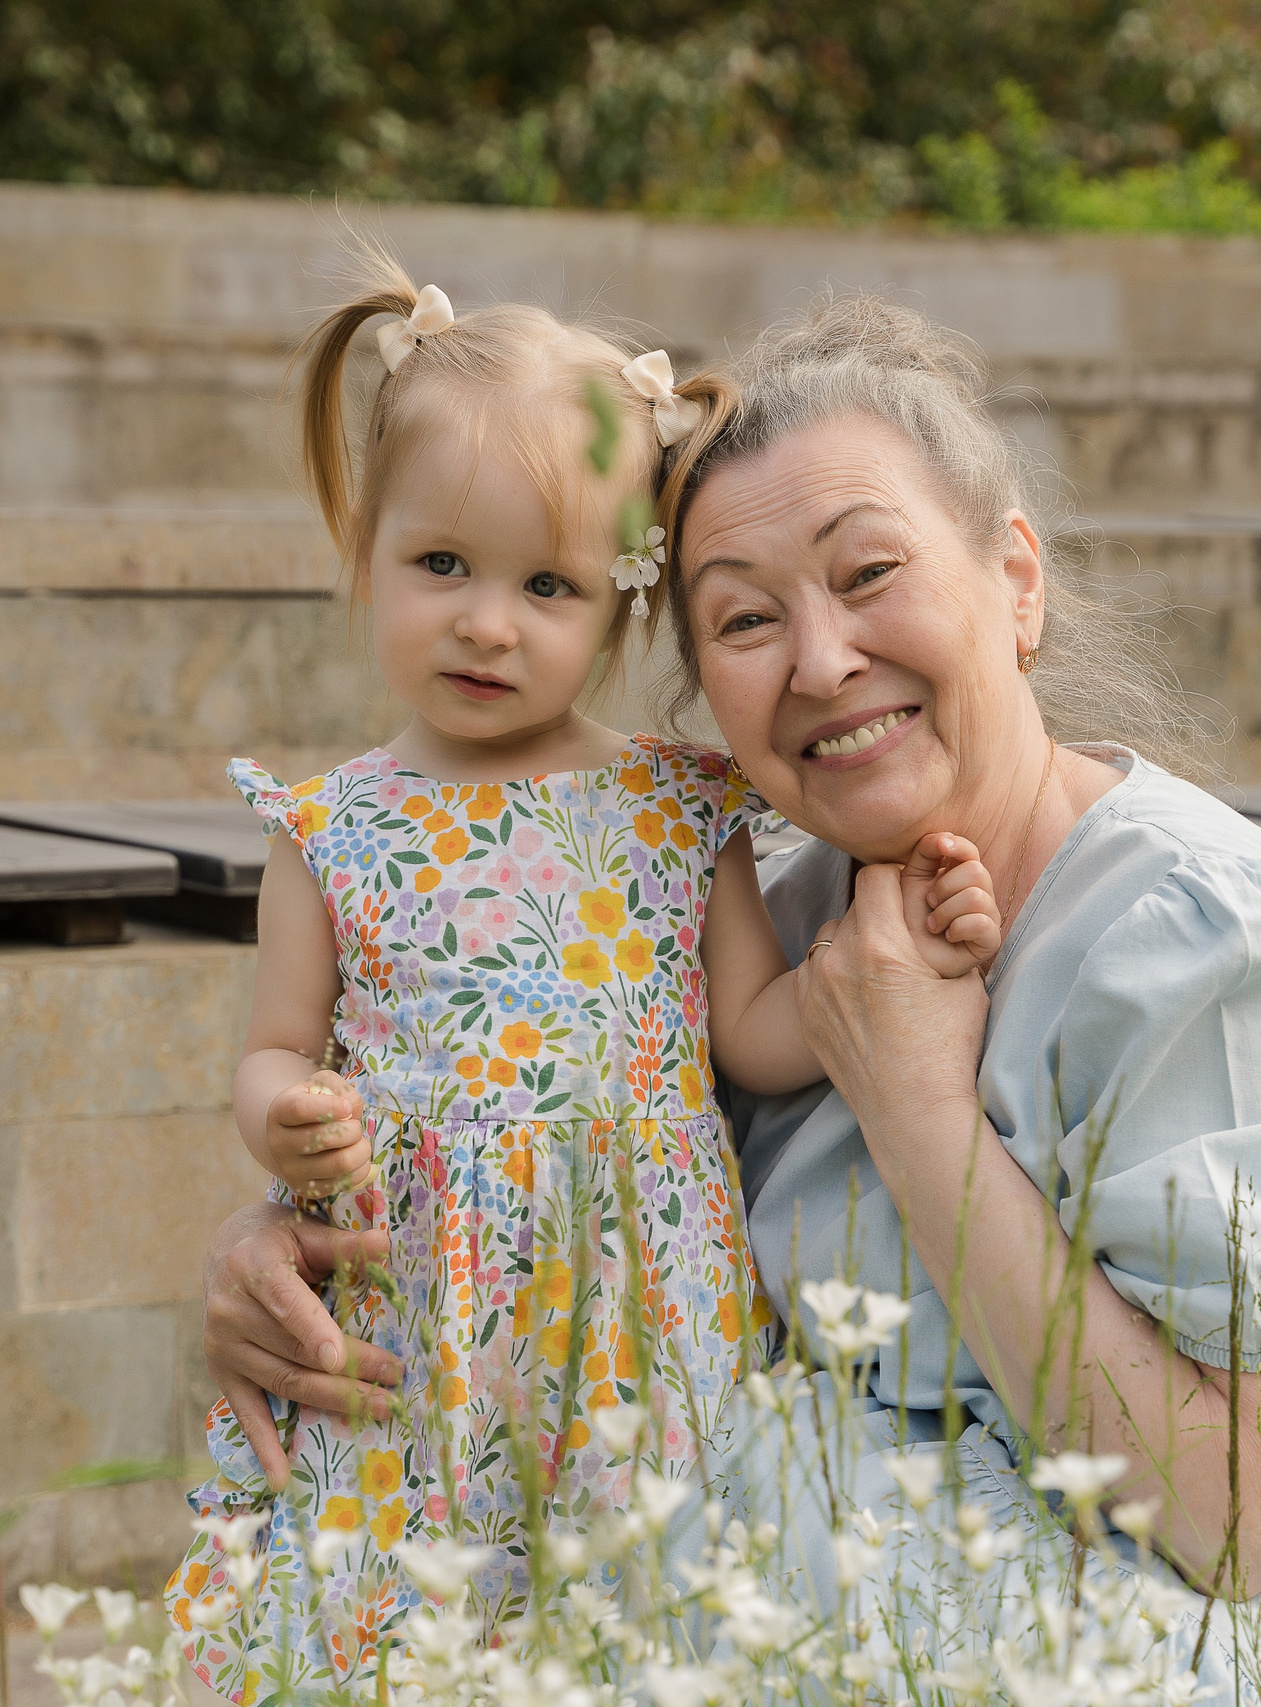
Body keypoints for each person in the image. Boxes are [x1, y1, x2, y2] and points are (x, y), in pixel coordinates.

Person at [193, 292, 1261, 1701]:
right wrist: (294, 1247)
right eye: (744, 619)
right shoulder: (778, 921)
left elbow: (1238, 1518)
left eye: (869, 575)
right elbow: (555, 1164)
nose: (822, 660)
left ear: (1015, 583)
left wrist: (917, 1099)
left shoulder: (1206, 943)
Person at [160, 266, 1001, 1702]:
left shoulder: (674, 809)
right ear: (366, 549)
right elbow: (275, 1048)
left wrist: (898, 940)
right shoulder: (330, 829)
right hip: (420, 1311)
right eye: (443, 565)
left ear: (623, 603)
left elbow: (754, 1034)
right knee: (401, 1635)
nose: (489, 625)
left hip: (641, 1317)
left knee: (631, 1630)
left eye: (546, 586)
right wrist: (286, 1115)